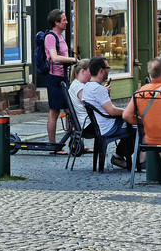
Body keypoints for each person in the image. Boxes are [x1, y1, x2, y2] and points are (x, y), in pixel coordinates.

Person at [80, 57, 134, 170]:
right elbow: (112, 111)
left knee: (129, 124)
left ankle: (119, 156)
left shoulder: (88, 87)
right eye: (107, 68)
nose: (108, 71)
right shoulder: (98, 89)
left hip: (98, 126)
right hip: (107, 127)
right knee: (135, 129)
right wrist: (128, 111)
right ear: (101, 70)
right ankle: (121, 157)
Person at [38, 9, 78, 145]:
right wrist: (73, 60)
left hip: (63, 77)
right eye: (64, 20)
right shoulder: (50, 37)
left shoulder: (61, 37)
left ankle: (74, 142)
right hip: (54, 77)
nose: (67, 22)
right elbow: (54, 57)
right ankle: (53, 145)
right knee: (54, 111)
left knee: (69, 110)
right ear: (56, 22)